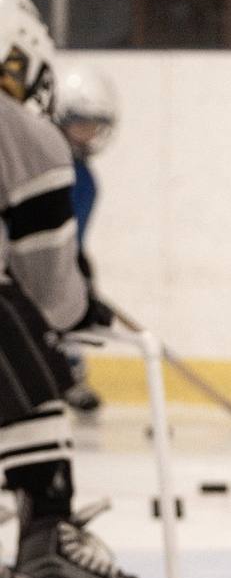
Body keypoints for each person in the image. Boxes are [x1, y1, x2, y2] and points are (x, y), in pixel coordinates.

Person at [0, 0, 143, 578]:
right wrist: (77, 314)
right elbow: (50, 296)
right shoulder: (26, 133)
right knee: (36, 373)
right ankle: (47, 541)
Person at [51, 59, 120, 414]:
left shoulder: (86, 181)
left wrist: (79, 273)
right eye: (82, 123)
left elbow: (68, 243)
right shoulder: (42, 166)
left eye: (96, 125)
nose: (90, 133)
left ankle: (68, 369)